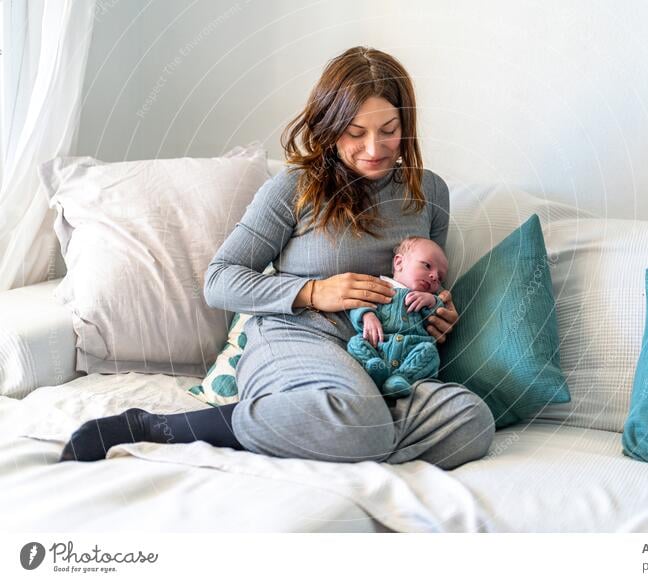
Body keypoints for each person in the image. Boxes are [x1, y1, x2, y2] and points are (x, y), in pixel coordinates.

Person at [59, 46, 495, 470]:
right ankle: (159, 426)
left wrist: (438, 311)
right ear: (330, 126)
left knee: (472, 419)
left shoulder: (430, 193)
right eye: (355, 133)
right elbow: (220, 280)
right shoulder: (295, 188)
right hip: (296, 337)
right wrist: (313, 291)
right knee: (362, 418)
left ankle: (346, 431)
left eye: (388, 129)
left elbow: (428, 275)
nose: (374, 148)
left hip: (383, 358)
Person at [347, 236, 448, 399]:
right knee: (355, 343)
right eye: (427, 266)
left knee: (430, 351)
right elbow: (359, 303)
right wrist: (367, 315)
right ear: (399, 263)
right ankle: (374, 368)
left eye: (440, 277)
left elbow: (438, 318)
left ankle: (401, 378)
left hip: (412, 349)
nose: (434, 276)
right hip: (379, 344)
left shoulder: (427, 298)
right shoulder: (380, 286)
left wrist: (433, 301)